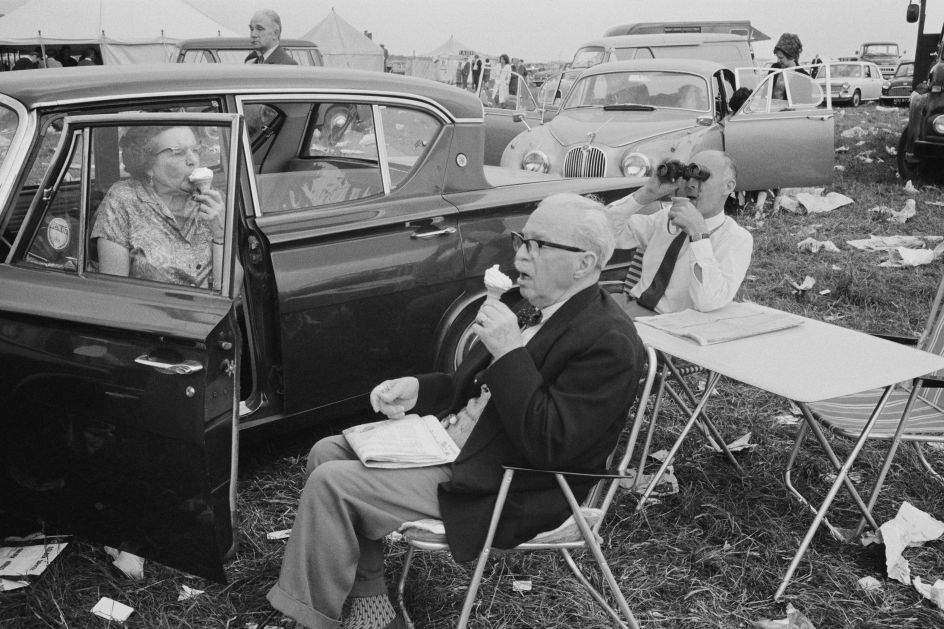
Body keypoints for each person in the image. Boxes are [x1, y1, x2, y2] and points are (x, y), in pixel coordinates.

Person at [266, 193, 646, 629]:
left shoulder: (609, 341)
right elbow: (473, 390)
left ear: (584, 263)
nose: (521, 254)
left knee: (334, 484)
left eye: (538, 245)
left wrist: (509, 353)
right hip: (461, 447)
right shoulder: (530, 304)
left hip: (512, 484)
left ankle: (311, 619)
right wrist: (419, 390)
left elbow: (552, 445)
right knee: (327, 452)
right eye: (522, 239)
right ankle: (371, 604)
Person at [605, 149, 753, 316]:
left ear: (728, 186)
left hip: (670, 321)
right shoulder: (665, 217)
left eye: (701, 177)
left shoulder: (736, 239)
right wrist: (646, 194)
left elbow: (709, 301)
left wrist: (698, 234)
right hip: (630, 305)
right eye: (688, 175)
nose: (691, 184)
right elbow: (601, 232)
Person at [91, 125, 225, 289]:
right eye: (178, 153)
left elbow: (231, 288)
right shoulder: (123, 199)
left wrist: (220, 236)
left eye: (196, 150)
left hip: (210, 305)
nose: (193, 161)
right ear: (148, 165)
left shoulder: (213, 201)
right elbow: (114, 290)